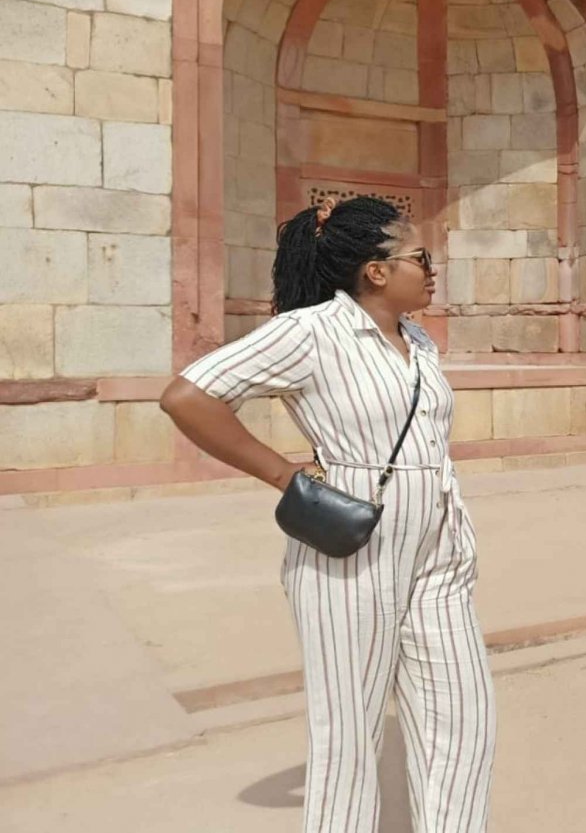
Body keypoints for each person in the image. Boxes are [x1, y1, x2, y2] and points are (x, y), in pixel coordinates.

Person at [159, 196, 494, 833]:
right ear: (375, 270)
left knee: (464, 717)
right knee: (350, 735)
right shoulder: (310, 331)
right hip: (350, 551)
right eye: (420, 257)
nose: (432, 269)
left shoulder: (419, 340)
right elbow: (187, 396)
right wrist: (285, 475)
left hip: (439, 551)